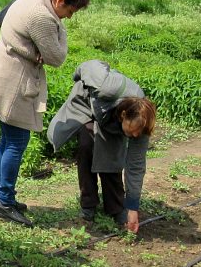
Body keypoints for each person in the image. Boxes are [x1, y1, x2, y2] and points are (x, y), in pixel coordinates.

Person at [0, 0, 89, 227]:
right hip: (14, 83)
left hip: (3, 72)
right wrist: (58, 34)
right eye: (70, 12)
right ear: (60, 1)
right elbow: (58, 58)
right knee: (16, 141)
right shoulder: (43, 16)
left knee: (7, 139)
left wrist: (36, 47)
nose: (69, 18)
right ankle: (4, 202)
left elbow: (2, 19)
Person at [47, 60, 156, 233]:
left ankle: (116, 207)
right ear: (124, 115)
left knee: (112, 155)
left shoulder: (142, 125)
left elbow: (135, 166)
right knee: (86, 146)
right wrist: (76, 76)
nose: (136, 135)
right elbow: (90, 65)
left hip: (110, 117)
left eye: (139, 133)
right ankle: (88, 203)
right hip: (87, 102)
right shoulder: (107, 86)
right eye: (134, 130)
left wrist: (133, 207)